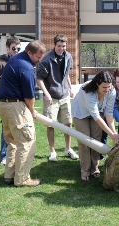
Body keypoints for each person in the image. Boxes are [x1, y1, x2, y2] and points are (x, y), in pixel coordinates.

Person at [0, 40, 46, 187]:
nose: (40, 60)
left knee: (12, 141)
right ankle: (22, 179)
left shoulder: (15, 59)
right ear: (29, 52)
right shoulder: (27, 67)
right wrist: (32, 111)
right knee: (27, 141)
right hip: (15, 106)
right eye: (38, 57)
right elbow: (29, 96)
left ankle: (9, 176)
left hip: (3, 105)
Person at [71, 71, 119, 181]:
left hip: (99, 113)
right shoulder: (87, 91)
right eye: (104, 87)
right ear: (97, 84)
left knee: (96, 139)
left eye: (109, 86)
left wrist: (113, 132)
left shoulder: (112, 91)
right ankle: (85, 170)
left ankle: (94, 168)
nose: (107, 89)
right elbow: (96, 116)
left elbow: (109, 112)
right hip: (80, 113)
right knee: (85, 140)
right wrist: (110, 133)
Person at [36, 34, 79, 162]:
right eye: (59, 46)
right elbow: (39, 79)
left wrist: (71, 88)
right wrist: (47, 94)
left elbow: (67, 75)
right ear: (54, 45)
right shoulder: (46, 59)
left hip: (64, 95)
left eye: (64, 46)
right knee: (51, 124)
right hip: (51, 96)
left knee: (68, 123)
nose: (61, 48)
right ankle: (52, 151)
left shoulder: (69, 56)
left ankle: (68, 149)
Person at [0, 37, 21, 166]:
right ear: (8, 48)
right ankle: (4, 155)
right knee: (6, 128)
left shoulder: (20, 61)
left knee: (18, 127)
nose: (16, 51)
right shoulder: (0, 63)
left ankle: (15, 153)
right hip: (5, 101)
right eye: (14, 48)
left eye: (19, 48)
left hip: (18, 101)